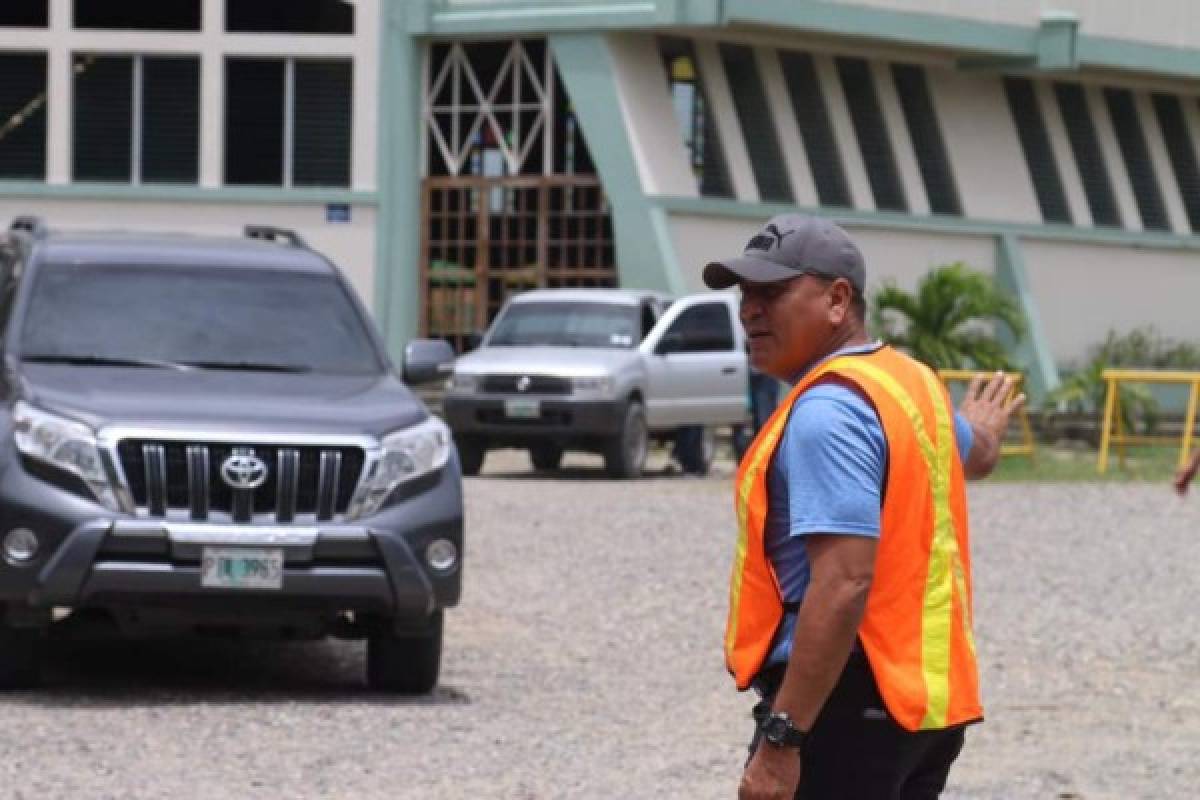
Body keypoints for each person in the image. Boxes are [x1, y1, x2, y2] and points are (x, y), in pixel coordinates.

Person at [702, 214, 1024, 800]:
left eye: (771, 291)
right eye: (744, 292)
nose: (748, 308)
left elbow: (845, 581)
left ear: (837, 298)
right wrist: (984, 430)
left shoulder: (830, 412)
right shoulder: (910, 382)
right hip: (921, 708)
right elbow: (973, 456)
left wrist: (781, 738)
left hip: (843, 706)